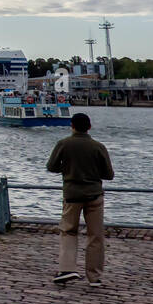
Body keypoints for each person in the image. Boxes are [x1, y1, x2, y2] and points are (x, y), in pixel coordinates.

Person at [47, 112, 114, 286]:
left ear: (72, 126)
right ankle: (95, 276)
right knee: (95, 235)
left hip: (72, 194)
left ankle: (67, 268)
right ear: (89, 127)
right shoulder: (98, 147)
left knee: (68, 231)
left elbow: (51, 166)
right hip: (94, 195)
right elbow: (109, 174)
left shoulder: (63, 144)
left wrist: (67, 169)